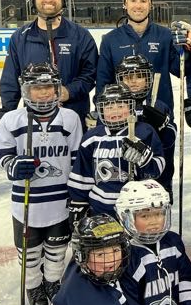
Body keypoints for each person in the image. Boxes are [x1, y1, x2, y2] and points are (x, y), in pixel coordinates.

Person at [0, 62, 82, 305]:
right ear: (25, 90)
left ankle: (53, 281)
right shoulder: (12, 120)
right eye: (37, 88)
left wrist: (77, 193)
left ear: (57, 89)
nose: (43, 93)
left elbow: (77, 158)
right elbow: (3, 155)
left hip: (59, 198)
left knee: (57, 247)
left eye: (48, 87)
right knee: (29, 251)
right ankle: (33, 285)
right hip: (26, 199)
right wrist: (14, 166)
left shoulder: (70, 118)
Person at [0, 0, 98, 126]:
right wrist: (5, 114)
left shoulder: (80, 36)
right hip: (34, 120)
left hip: (73, 119)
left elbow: (90, 74)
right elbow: (10, 81)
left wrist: (69, 92)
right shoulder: (20, 38)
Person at [68, 84, 165, 221]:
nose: (115, 111)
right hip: (99, 207)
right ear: (100, 110)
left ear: (131, 107)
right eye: (109, 107)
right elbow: (83, 172)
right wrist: (78, 202)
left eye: (121, 106)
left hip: (137, 206)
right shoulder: (92, 137)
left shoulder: (144, 132)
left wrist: (145, 159)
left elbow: (156, 171)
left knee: (134, 242)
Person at [97, 0, 190, 123]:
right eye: (133, 0)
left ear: (150, 4)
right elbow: (103, 83)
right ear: (125, 4)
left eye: (143, 1)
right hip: (122, 117)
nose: (138, 6)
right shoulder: (110, 40)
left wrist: (187, 48)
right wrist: (101, 114)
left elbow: (181, 70)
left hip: (159, 114)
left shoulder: (165, 35)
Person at [115, 54, 177, 201]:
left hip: (156, 179)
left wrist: (163, 128)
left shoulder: (159, 107)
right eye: (128, 77)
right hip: (122, 179)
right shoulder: (113, 109)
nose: (134, 81)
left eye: (139, 76)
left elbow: (169, 144)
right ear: (120, 80)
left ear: (148, 78)